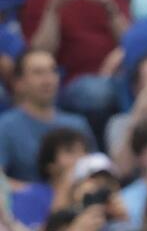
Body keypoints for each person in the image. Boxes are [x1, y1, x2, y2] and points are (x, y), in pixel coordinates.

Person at [0, 51, 91, 183]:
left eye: (53, 71)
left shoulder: (78, 124)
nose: (48, 79)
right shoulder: (6, 126)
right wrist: (36, 193)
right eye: (38, 72)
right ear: (19, 83)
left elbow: (95, 170)